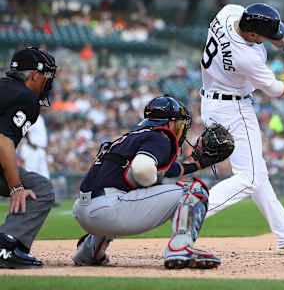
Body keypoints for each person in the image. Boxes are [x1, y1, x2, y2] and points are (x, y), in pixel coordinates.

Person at [199, 3, 284, 254]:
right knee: (249, 178)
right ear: (252, 34)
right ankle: (192, 210)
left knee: (257, 175)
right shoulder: (245, 56)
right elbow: (275, 90)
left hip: (213, 101)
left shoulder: (229, 12)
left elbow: (278, 33)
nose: (269, 39)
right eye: (262, 36)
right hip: (233, 109)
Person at [72, 97, 221, 269]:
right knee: (195, 189)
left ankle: (89, 252)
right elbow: (142, 169)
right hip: (109, 210)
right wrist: (150, 184)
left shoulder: (131, 138)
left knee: (125, 193)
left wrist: (199, 164)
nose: (181, 128)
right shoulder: (159, 137)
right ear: (170, 123)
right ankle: (181, 248)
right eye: (179, 123)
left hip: (84, 210)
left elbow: (164, 170)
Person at [0, 46, 57, 268]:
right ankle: (6, 246)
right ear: (34, 75)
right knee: (40, 189)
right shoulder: (27, 97)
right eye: (47, 76)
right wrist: (16, 188)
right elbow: (3, 141)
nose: (48, 82)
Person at [19, 114, 49, 179]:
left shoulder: (40, 117)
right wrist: (30, 142)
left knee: (45, 177)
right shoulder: (30, 115)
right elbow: (25, 130)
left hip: (41, 149)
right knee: (31, 176)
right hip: (31, 149)